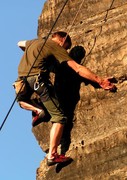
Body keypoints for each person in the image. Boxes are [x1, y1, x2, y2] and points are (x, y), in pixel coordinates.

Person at [16, 31, 116, 166]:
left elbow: (19, 43)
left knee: (21, 101)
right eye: (66, 47)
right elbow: (78, 68)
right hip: (38, 81)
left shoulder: (34, 42)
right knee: (59, 118)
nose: (65, 50)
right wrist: (100, 81)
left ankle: (38, 110)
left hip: (22, 82)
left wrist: (33, 51)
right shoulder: (55, 46)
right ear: (62, 40)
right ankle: (52, 155)